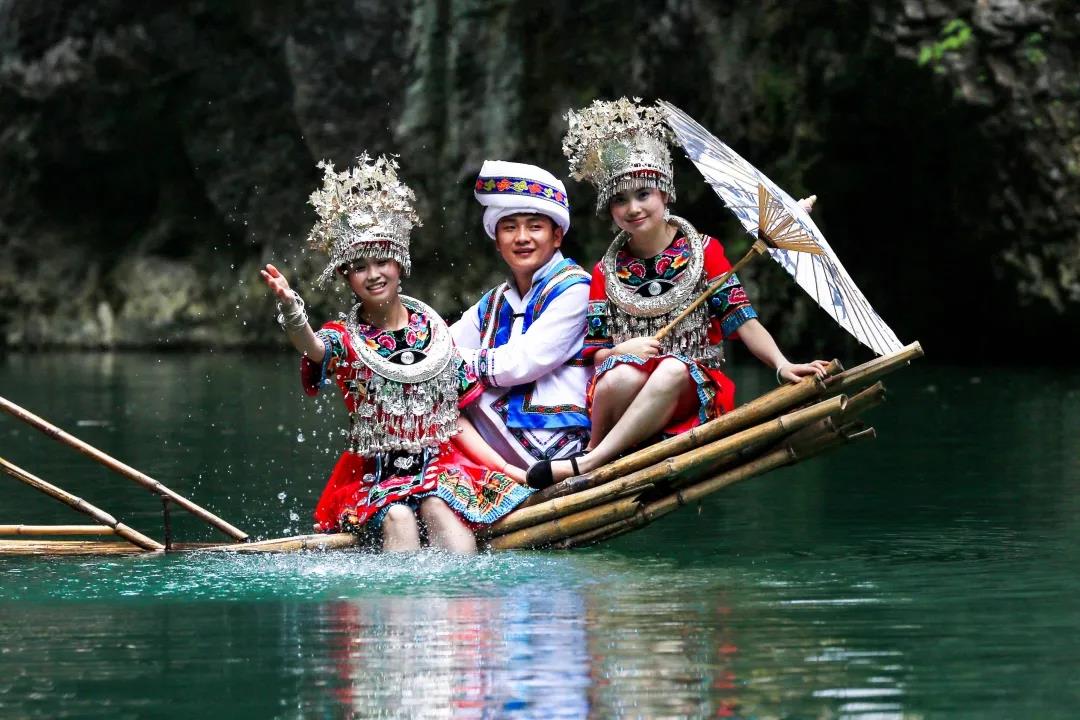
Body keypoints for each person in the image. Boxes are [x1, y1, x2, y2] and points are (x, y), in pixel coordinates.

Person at [527, 98, 829, 488]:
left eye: (643, 194)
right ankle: (596, 448)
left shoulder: (706, 252)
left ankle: (589, 464)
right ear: (609, 208)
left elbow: (743, 320)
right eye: (620, 199)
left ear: (665, 194)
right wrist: (623, 350)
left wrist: (781, 364)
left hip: (690, 389)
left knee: (671, 368)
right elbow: (596, 353)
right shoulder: (604, 271)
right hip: (625, 390)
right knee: (618, 375)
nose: (633, 208)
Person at [261, 154, 532, 553]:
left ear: (400, 264)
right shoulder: (345, 338)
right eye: (359, 267)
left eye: (382, 261)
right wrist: (291, 309)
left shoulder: (437, 334)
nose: (373, 275)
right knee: (399, 516)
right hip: (374, 478)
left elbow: (455, 420)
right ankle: (400, 593)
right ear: (345, 276)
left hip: (441, 471)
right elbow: (313, 348)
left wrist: (508, 468)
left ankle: (464, 591)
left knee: (440, 507)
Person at [450, 161, 592, 479]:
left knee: (441, 393)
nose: (522, 238)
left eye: (535, 227)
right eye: (510, 228)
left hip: (559, 443)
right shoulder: (497, 299)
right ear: (497, 241)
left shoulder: (575, 288)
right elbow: (445, 342)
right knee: (425, 389)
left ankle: (498, 476)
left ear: (557, 236)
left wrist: (449, 363)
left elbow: (522, 363)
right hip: (507, 436)